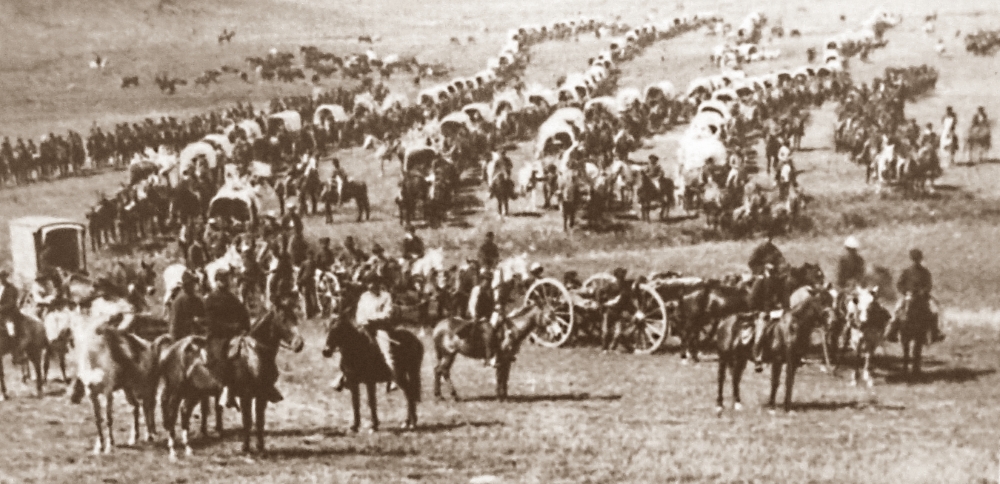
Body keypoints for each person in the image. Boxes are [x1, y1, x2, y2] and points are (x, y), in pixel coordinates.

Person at [205, 270, 282, 405]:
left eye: (227, 279)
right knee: (225, 357)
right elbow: (211, 322)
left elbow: (243, 314)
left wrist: (245, 328)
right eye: (223, 279)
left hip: (236, 336)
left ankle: (266, 383)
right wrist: (231, 327)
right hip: (218, 337)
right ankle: (227, 389)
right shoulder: (210, 299)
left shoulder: (232, 298)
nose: (226, 282)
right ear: (217, 281)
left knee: (257, 351)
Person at [886, 249, 944, 343]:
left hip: (922, 297)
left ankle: (935, 333)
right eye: (915, 259)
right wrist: (906, 292)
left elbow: (929, 285)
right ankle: (892, 332)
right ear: (912, 259)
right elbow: (900, 284)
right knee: (897, 310)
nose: (916, 261)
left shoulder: (925, 272)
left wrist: (924, 291)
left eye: (918, 259)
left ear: (920, 259)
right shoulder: (907, 272)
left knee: (934, 310)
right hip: (908, 296)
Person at [354, 276, 397, 387]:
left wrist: (372, 318)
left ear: (378, 284)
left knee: (386, 352)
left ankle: (393, 379)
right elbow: (359, 311)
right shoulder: (364, 296)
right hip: (365, 327)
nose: (370, 286)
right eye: (368, 284)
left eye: (373, 284)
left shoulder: (386, 296)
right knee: (351, 349)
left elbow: (387, 314)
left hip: (379, 327)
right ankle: (343, 377)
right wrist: (361, 321)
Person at [468, 270, 498, 367]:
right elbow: (472, 304)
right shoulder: (477, 289)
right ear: (482, 280)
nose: (488, 282)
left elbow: (492, 304)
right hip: (478, 317)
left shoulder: (491, 291)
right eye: (486, 280)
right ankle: (488, 358)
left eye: (490, 280)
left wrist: (496, 310)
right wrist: (475, 316)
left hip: (488, 317)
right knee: (489, 331)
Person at [0, 270, 28, 363]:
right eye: (0, 277)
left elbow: (11, 303)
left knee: (10, 329)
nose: (1, 279)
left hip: (10, 313)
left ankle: (16, 354)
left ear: (6, 277)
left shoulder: (11, 288)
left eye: (3, 277)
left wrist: (1, 308)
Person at [170, 271, 205, 340]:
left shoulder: (198, 299)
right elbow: (176, 324)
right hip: (182, 336)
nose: (193, 286)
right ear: (185, 285)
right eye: (190, 284)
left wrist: (200, 320)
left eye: (193, 283)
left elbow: (204, 315)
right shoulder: (180, 300)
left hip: (197, 334)